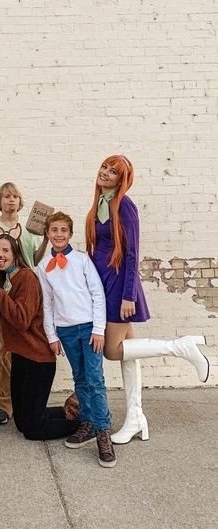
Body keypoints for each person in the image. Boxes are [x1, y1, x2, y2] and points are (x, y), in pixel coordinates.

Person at [85, 154, 210, 445]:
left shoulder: (125, 206)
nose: (105, 173)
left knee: (113, 351)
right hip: (103, 285)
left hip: (119, 286)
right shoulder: (98, 204)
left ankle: (180, 347)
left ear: (121, 179)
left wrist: (128, 295)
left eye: (113, 171)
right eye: (104, 167)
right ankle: (135, 417)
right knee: (129, 353)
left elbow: (132, 254)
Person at [0, 234, 80, 441]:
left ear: (15, 254)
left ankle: (85, 424)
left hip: (38, 360)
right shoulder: (7, 280)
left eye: (5, 250)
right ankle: (66, 411)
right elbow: (4, 318)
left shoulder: (25, 277)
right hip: (21, 357)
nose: (0, 255)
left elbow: (22, 320)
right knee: (22, 423)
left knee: (32, 431)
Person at [37, 211, 116, 467]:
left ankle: (104, 431)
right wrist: (51, 335)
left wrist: (99, 329)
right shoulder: (42, 267)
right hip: (66, 331)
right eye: (54, 230)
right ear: (47, 234)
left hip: (89, 328)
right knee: (80, 379)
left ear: (70, 234)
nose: (59, 235)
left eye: (63, 230)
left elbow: (97, 293)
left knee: (95, 379)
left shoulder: (82, 260)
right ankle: (88, 423)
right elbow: (47, 304)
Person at [0, 182, 49, 425]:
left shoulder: (31, 229)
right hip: (4, 294)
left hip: (28, 293)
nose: (11, 200)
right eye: (6, 196)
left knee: (27, 347)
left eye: (15, 196)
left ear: (20, 202)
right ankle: (3, 402)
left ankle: (24, 399)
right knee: (6, 350)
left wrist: (44, 241)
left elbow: (34, 260)